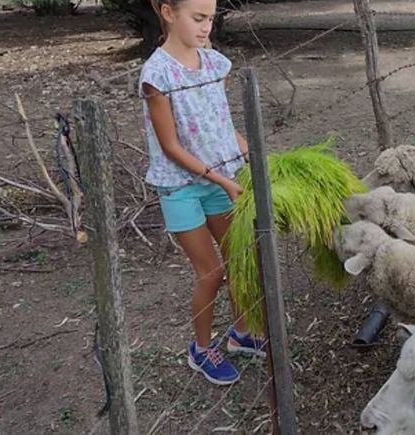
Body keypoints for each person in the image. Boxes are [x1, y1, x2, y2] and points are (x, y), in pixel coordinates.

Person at [139, 0, 265, 385]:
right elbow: (171, 147)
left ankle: (241, 334)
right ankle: (201, 346)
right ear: (167, 12)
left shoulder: (213, 63)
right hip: (182, 188)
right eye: (197, 18)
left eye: (210, 18)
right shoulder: (156, 75)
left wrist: (249, 149)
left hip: (220, 178)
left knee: (239, 259)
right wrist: (225, 181)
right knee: (210, 273)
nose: (206, 26)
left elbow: (219, 121)